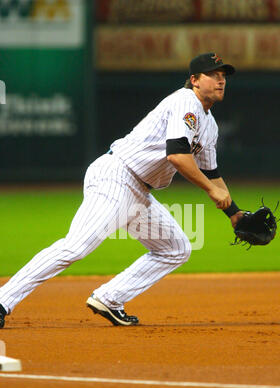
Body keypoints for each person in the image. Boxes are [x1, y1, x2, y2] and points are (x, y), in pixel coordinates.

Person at [0, 52, 244, 329]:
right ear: (194, 80)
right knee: (76, 247)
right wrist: (212, 192)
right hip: (117, 176)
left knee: (175, 248)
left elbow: (213, 173)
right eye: (214, 75)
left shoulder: (209, 125)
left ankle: (110, 298)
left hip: (139, 193)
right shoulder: (185, 101)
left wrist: (235, 214)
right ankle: (2, 299)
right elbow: (177, 155)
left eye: (223, 76)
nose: (221, 81)